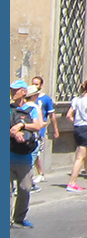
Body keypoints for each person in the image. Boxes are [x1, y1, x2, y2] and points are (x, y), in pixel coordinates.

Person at [10, 80, 45, 227]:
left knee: (24, 189)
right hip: (8, 153)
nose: (13, 92)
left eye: (16, 90)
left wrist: (22, 126)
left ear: (24, 92)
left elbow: (38, 125)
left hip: (24, 156)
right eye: (12, 90)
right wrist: (13, 133)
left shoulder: (31, 109)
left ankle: (19, 217)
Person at [30, 76, 57, 185]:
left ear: (41, 86)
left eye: (37, 84)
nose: (34, 86)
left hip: (39, 130)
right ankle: (40, 173)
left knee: (35, 154)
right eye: (33, 83)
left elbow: (52, 115)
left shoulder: (45, 99)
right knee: (34, 154)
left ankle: (36, 176)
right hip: (30, 130)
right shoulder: (28, 98)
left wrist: (55, 129)